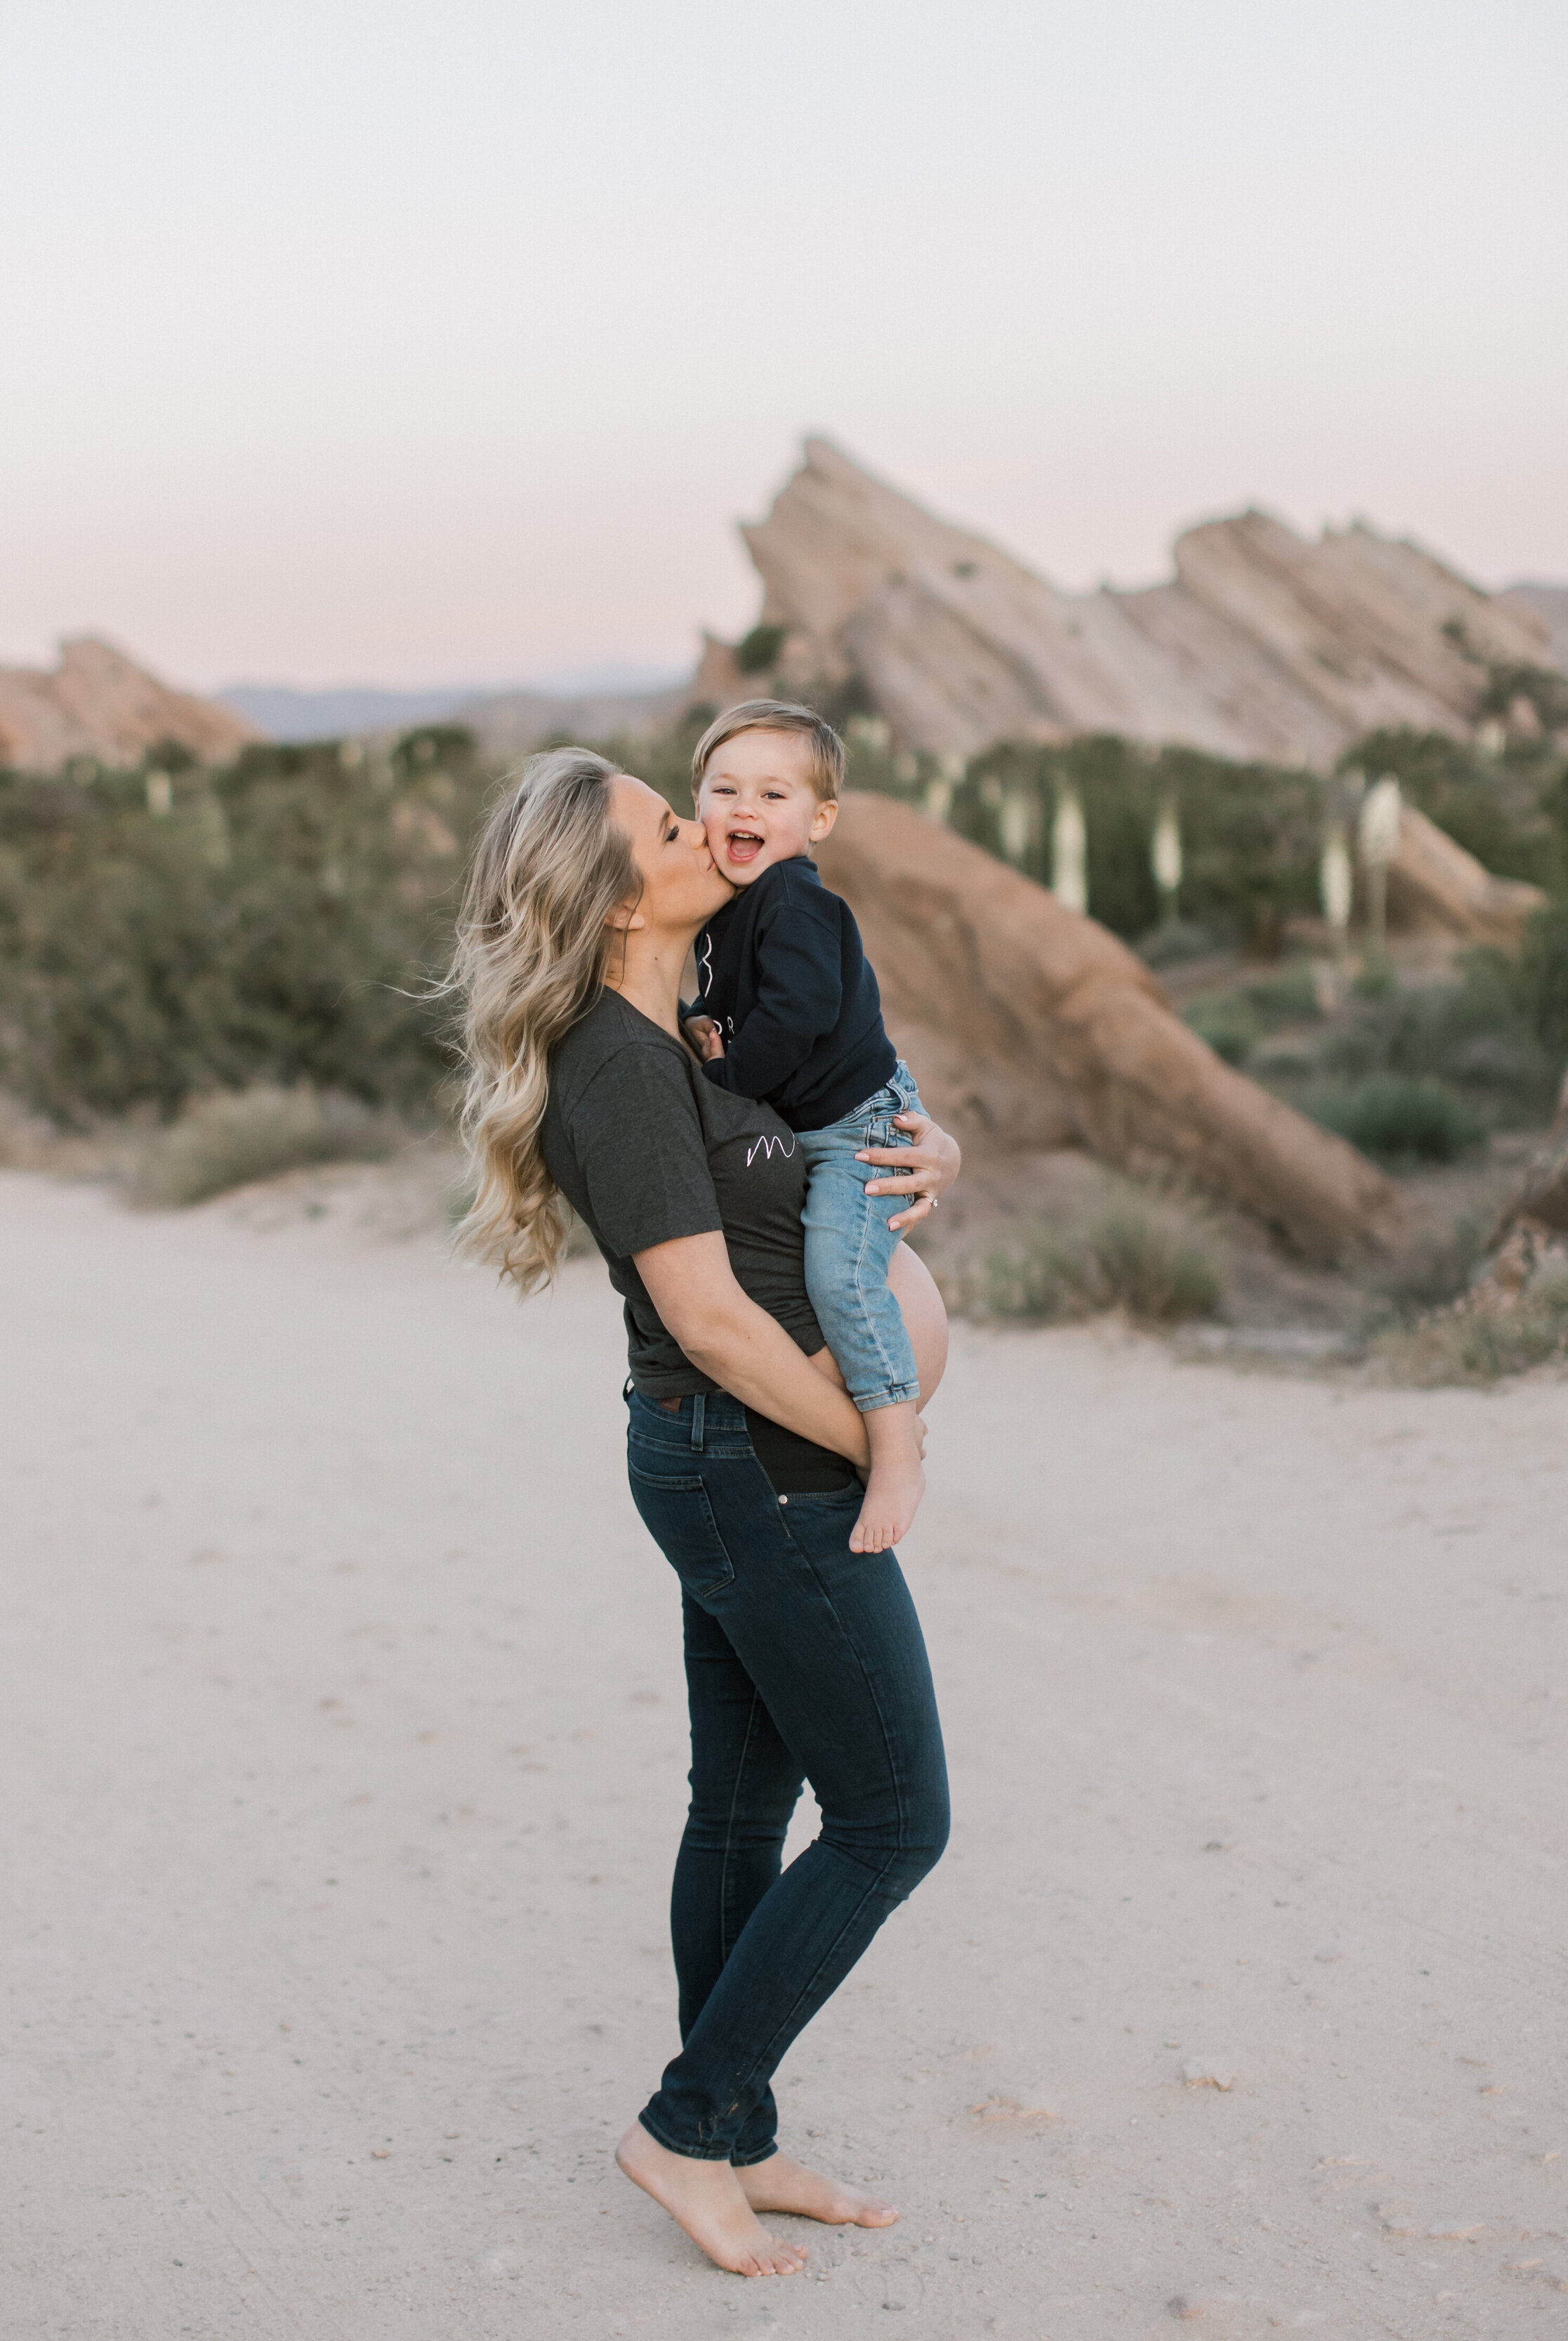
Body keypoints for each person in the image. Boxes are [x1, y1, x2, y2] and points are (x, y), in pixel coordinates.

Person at [449, 745, 958, 2280]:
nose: (705, 829)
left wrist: (935, 1155)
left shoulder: (695, 1024)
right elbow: (716, 1322)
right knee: (891, 1819)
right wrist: (892, 1445)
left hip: (733, 1462)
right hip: (752, 1464)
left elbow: (838, 1161)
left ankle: (730, 2135)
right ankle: (688, 2124)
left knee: (740, 1807)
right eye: (669, 826)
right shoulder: (616, 1058)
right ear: (614, 901)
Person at [683, 698, 930, 1558]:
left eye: (774, 795)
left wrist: (721, 1074)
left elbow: (795, 1018)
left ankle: (894, 1449)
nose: (745, 809)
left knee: (840, 1272)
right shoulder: (727, 903)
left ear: (820, 820)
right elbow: (723, 1002)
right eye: (725, 789)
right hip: (818, 1122)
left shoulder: (792, 894)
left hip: (859, 1122)